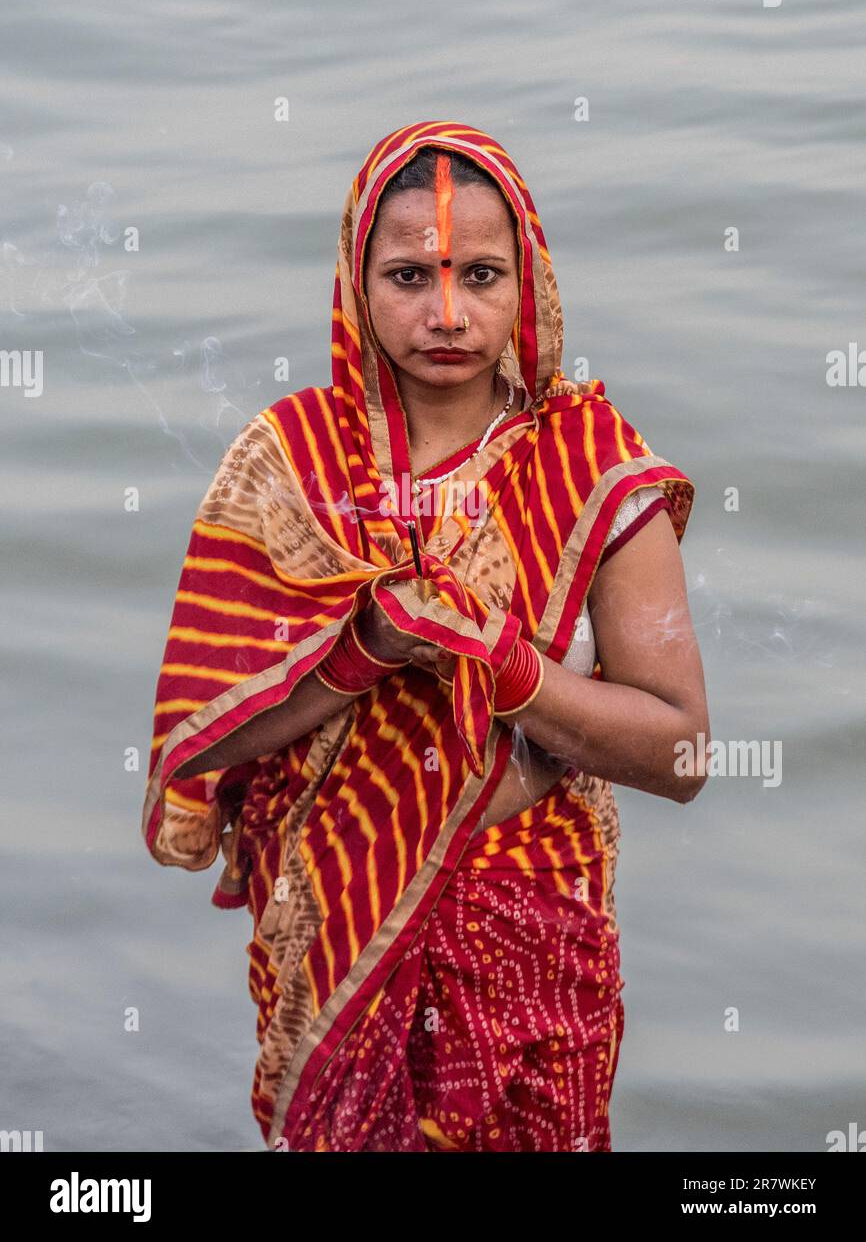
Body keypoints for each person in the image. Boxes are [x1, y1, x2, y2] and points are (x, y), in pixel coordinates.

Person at [142, 119, 710, 1152]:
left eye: (480, 274)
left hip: (526, 918)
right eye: (408, 274)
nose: (446, 313)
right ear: (354, 282)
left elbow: (678, 753)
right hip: (331, 923)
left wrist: (505, 669)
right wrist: (363, 647)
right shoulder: (286, 462)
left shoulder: (591, 464)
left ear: (526, 284)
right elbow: (200, 735)